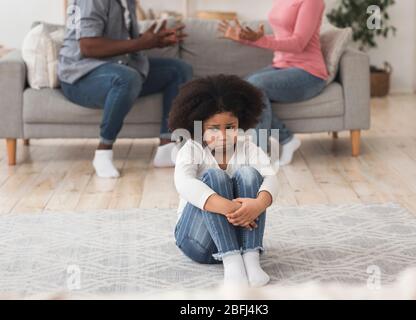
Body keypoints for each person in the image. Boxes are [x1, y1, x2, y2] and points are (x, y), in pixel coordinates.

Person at [58, 0, 193, 178]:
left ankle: (166, 148)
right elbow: (88, 46)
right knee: (127, 77)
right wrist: (142, 43)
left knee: (179, 70)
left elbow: (119, 38)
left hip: (117, 66)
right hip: (80, 75)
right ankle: (103, 152)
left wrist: (153, 41)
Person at [169, 75, 279, 287]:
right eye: (213, 128)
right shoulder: (192, 149)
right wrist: (234, 209)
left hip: (241, 239)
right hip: (199, 243)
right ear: (198, 126)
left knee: (249, 174)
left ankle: (251, 259)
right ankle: (232, 263)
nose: (223, 135)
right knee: (214, 176)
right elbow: (184, 184)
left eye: (230, 127)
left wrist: (257, 204)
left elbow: (271, 177)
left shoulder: (247, 147)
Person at [218, 0, 329, 166]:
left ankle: (259, 154)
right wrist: (245, 38)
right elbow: (279, 38)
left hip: (309, 73)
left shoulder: (313, 2)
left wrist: (260, 40)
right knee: (240, 88)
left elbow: (298, 43)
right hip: (282, 66)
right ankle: (286, 138)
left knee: (256, 85)